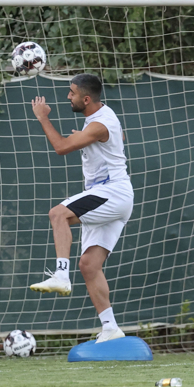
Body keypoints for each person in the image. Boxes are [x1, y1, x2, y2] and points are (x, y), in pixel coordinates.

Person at [29, 74, 134, 343]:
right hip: (112, 196)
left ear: (86, 99)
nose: (68, 96)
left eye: (72, 93)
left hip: (113, 193)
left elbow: (62, 147)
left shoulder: (99, 124)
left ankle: (61, 275)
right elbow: (112, 136)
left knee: (57, 214)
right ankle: (110, 328)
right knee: (89, 265)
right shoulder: (99, 119)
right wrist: (86, 137)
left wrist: (42, 117)